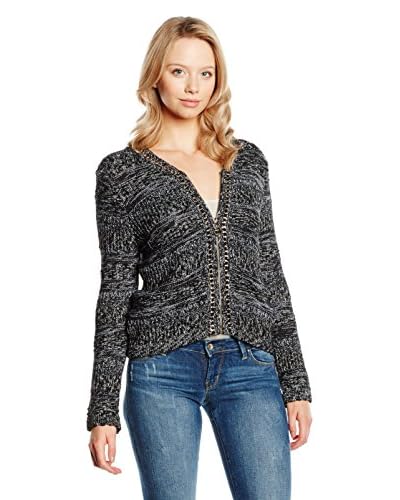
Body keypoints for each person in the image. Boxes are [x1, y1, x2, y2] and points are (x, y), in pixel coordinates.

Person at [87, 16, 313, 500]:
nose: (194, 87)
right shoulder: (123, 173)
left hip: (251, 366)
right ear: (155, 76)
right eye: (179, 71)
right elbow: (116, 290)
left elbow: (270, 272)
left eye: (206, 73)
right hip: (161, 370)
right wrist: (102, 409)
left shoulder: (247, 162)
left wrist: (295, 382)